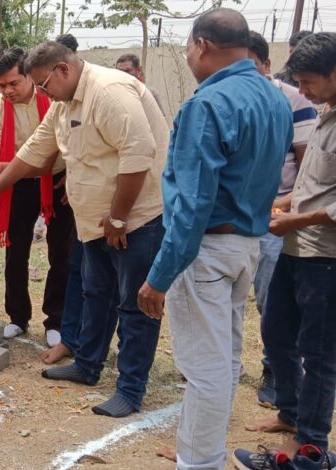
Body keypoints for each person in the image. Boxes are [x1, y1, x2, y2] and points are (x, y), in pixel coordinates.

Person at [0, 40, 168, 418]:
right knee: (94, 293)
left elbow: (138, 155)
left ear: (63, 70)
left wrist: (119, 217)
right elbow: (33, 151)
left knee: (133, 307)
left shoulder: (109, 92)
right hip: (94, 222)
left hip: (134, 221)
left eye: (43, 85)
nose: (40, 93)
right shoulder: (64, 102)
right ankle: (88, 364)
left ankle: (130, 389)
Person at [134, 9, 293, 470]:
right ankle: (199, 451)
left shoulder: (207, 105)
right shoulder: (276, 98)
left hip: (206, 251)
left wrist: (159, 277)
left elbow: (193, 203)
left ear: (201, 45)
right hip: (247, 245)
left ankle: (199, 461)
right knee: (222, 360)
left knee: (205, 369)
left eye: (187, 48)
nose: (188, 57)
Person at [234, 32, 336, 470]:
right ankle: (290, 415)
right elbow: (313, 187)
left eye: (310, 81)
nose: (304, 91)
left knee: (319, 354)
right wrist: (282, 206)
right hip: (297, 248)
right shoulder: (326, 116)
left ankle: (312, 445)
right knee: (276, 332)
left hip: (326, 258)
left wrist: (296, 218)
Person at [0, 47, 75, 347]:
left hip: (59, 180)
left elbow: (69, 146)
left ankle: (56, 320)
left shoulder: (54, 99)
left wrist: (70, 175)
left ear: (29, 77)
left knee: (61, 252)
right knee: (15, 251)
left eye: (13, 83)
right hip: (19, 182)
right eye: (1, 86)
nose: (7, 91)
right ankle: (18, 318)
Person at [246, 30, 317, 409]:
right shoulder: (226, 101)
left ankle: (276, 372)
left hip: (276, 218)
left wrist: (287, 209)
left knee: (273, 303)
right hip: (237, 219)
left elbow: (309, 171)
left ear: (267, 65)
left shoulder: (294, 101)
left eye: (252, 68)